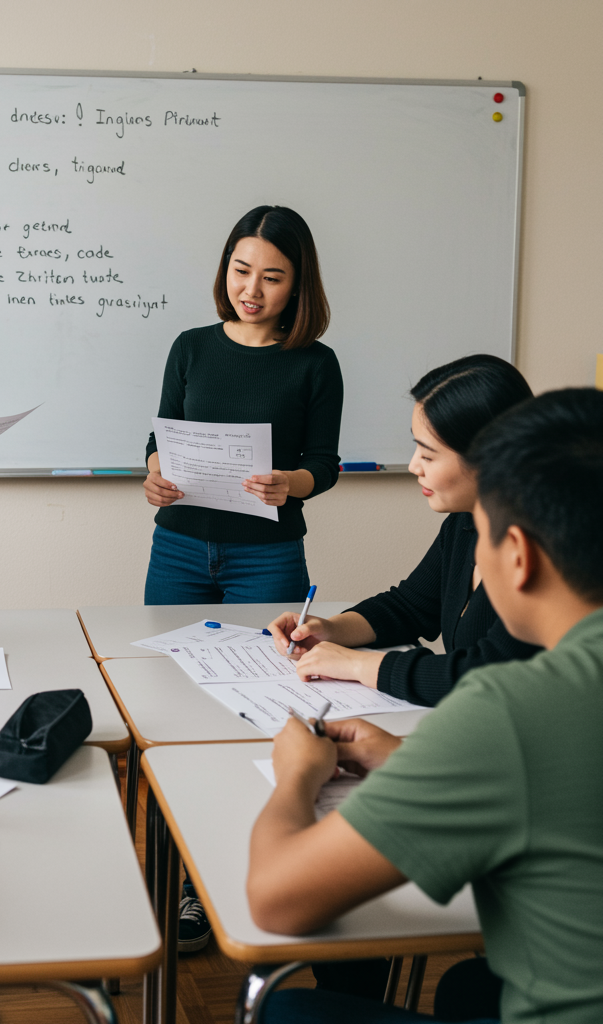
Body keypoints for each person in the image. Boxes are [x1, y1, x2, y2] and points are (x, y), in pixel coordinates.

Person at [247, 388, 603, 1024]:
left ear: (517, 557)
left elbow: (277, 900)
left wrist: (298, 773)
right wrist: (409, 755)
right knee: (469, 987)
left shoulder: (513, 708)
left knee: (288, 1012)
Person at [268, 354, 539, 708]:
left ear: (490, 457)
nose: (414, 466)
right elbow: (410, 605)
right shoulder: (465, 522)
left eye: (428, 455)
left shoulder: (542, 549)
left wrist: (359, 664)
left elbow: (490, 673)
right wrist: (330, 630)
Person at [143, 205, 343, 605]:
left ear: (297, 285)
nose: (252, 290)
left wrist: (288, 483)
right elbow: (160, 438)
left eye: (271, 278)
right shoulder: (190, 347)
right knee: (164, 665)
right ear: (225, 268)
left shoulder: (316, 363)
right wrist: (156, 475)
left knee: (264, 667)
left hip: (268, 556)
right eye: (241, 270)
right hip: (177, 549)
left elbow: (323, 464)